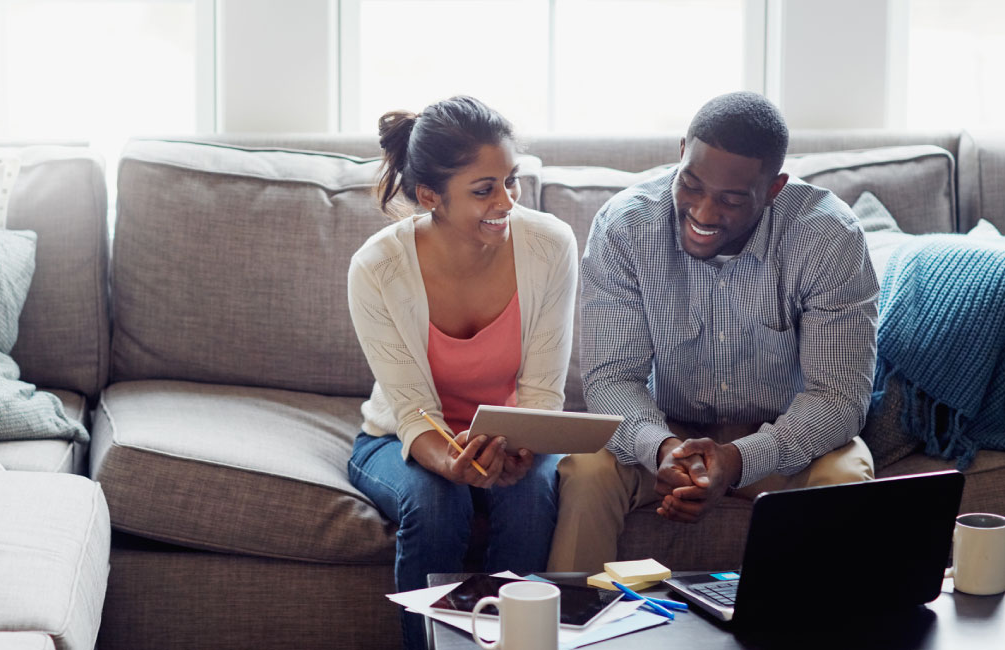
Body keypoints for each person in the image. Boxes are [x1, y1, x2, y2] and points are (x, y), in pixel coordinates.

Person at [547, 91, 878, 573]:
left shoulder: (828, 239)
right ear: (682, 153)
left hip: (781, 441)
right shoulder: (626, 225)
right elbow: (611, 380)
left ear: (773, 188)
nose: (703, 213)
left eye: (730, 199)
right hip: (667, 435)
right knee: (587, 468)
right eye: (692, 185)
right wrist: (660, 449)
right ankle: (573, 633)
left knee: (846, 476)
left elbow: (839, 398)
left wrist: (738, 460)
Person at [347, 95, 578, 649]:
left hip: (511, 431)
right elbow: (410, 411)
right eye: (483, 189)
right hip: (404, 439)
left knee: (531, 496)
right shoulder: (377, 268)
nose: (506, 201)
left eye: (511, 181)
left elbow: (543, 391)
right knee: (435, 502)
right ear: (431, 197)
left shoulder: (550, 245)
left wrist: (521, 446)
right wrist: (453, 461)